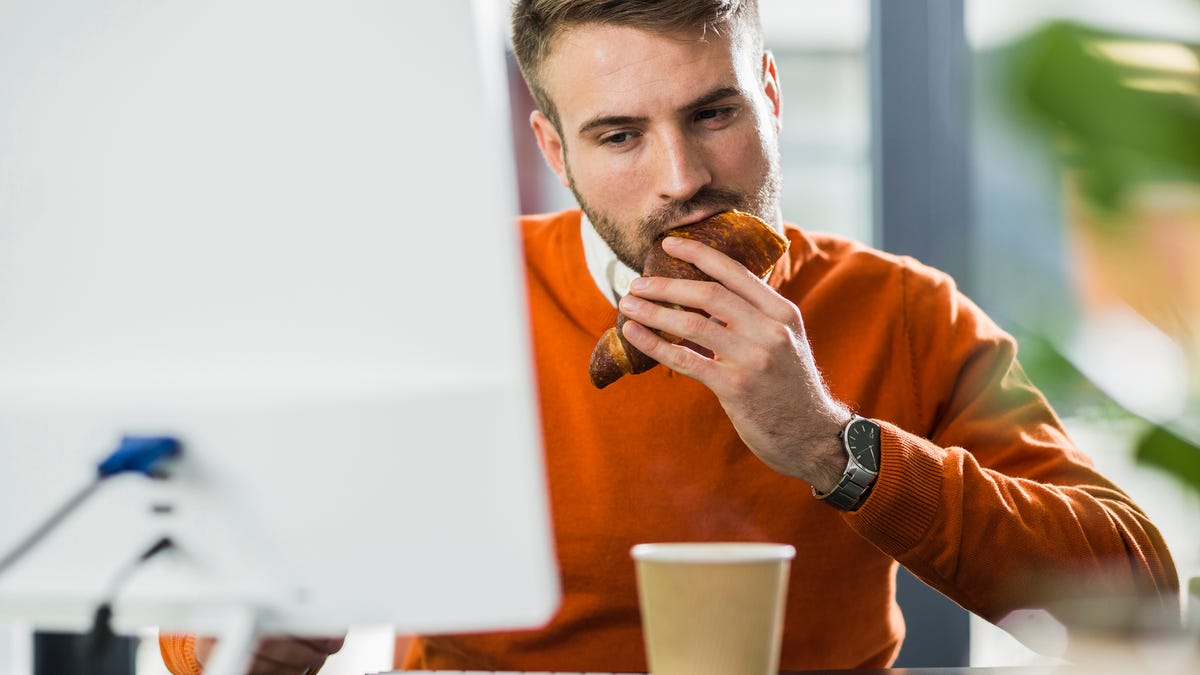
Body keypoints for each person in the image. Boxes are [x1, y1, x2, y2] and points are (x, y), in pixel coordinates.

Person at [160, 0, 1180, 672]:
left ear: (770, 97)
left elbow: (1139, 593)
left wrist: (834, 446)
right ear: (553, 146)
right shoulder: (447, 298)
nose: (682, 179)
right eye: (619, 135)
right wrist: (251, 640)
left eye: (714, 113)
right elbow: (200, 607)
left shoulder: (906, 310)